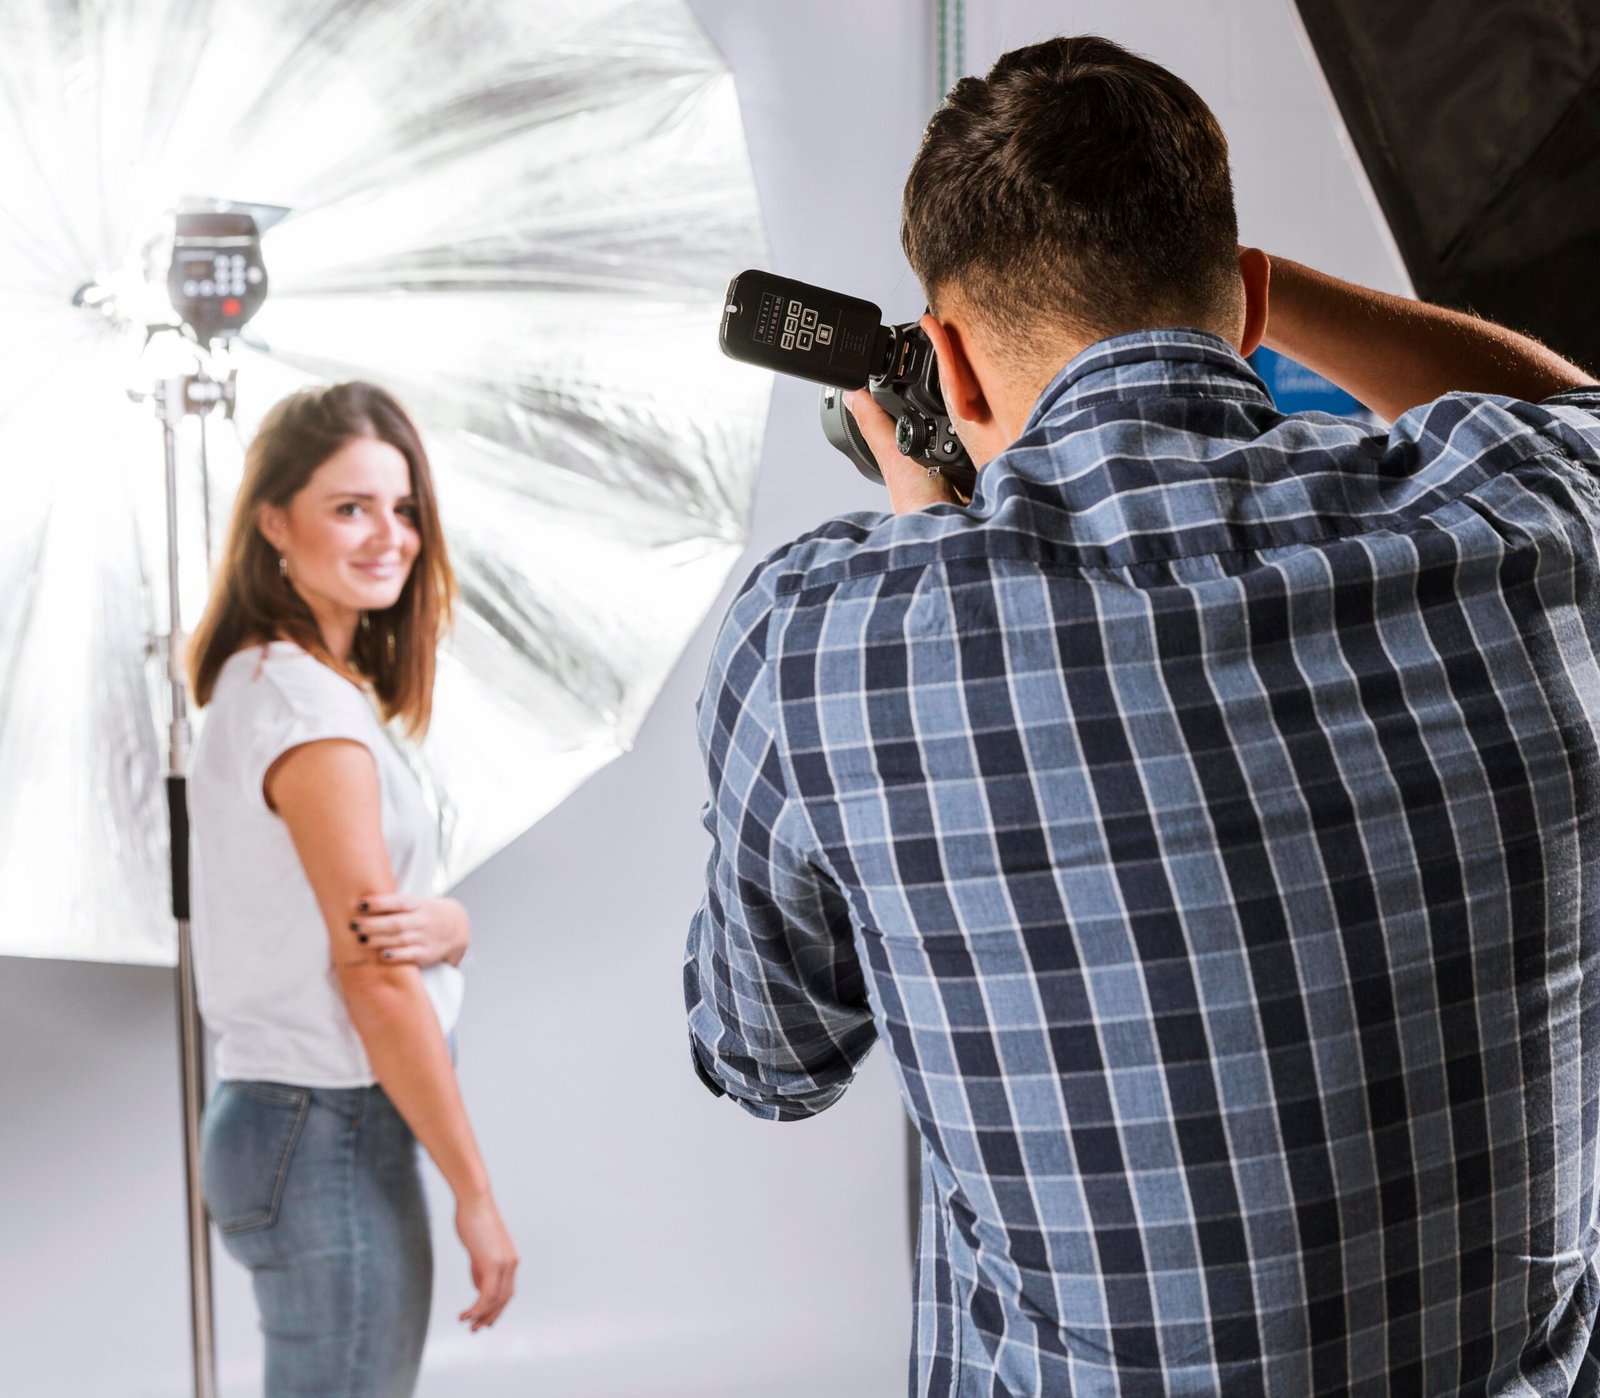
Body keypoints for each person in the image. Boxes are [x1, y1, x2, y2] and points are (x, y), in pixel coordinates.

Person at [683, 34, 1600, 1398]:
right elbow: (1568, 403)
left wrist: (926, 543)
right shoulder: (1528, 525)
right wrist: (1256, 290)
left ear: (946, 357)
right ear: (1236, 304)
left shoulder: (826, 641)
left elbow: (765, 1058)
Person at [188, 382, 516, 1396]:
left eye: (403, 507)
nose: (391, 535)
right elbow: (373, 978)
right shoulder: (307, 711)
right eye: (350, 507)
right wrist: (475, 1192)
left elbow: (378, 925)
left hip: (292, 1125)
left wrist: (451, 925)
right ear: (273, 521)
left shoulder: (282, 687)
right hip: (323, 1128)